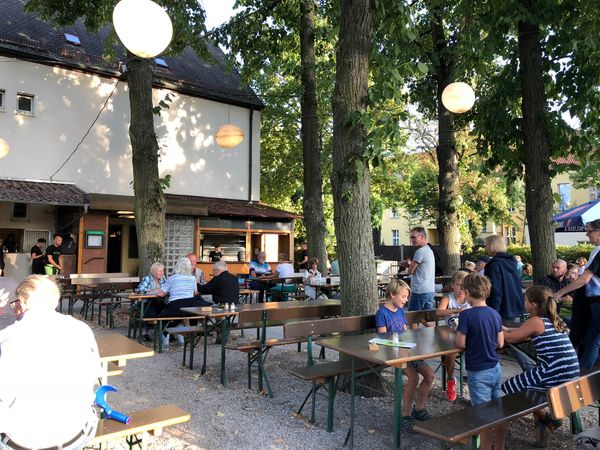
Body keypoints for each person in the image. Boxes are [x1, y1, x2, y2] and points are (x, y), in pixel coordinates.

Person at [0, 275, 100, 449]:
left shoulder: (7, 337)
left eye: (15, 302)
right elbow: (94, 374)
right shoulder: (82, 329)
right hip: (75, 432)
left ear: (23, 302)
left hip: (23, 440)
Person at [502, 286, 579, 447]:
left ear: (534, 304)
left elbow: (511, 339)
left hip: (555, 370)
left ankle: (548, 418)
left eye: (525, 300)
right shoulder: (553, 319)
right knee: (528, 385)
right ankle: (543, 430)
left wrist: (494, 330)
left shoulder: (536, 321)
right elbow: (519, 331)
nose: (524, 302)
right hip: (569, 369)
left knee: (510, 386)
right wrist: (506, 330)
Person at [375, 279, 434, 434]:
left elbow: (406, 331)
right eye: (403, 297)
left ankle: (419, 409)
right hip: (394, 353)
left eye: (407, 297)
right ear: (392, 295)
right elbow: (382, 337)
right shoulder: (382, 313)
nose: (406, 300)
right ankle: (406, 415)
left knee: (429, 375)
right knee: (413, 378)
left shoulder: (401, 311)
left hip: (408, 350)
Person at [455, 272, 505, 450]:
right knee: (498, 411)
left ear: (467, 292)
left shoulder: (466, 316)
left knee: (482, 415)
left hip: (478, 371)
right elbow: (500, 343)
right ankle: (499, 446)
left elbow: (460, 343)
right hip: (495, 367)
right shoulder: (494, 314)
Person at [553, 219, 600, 370]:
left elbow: (584, 279)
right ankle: (581, 377)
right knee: (592, 340)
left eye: (590, 230)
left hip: (597, 302)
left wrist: (559, 293)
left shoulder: (598, 252)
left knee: (593, 340)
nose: (587, 234)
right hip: (594, 304)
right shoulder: (596, 251)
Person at [155, 256, 210, 348]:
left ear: (177, 266)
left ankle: (165, 339)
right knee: (183, 315)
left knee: (164, 316)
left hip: (175, 306)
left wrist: (158, 291)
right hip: (190, 307)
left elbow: (161, 294)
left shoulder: (172, 278)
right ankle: (180, 334)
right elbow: (194, 292)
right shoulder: (192, 278)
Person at [436, 270, 470, 401]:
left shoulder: (470, 298)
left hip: (468, 334)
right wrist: (456, 310)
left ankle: (474, 379)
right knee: (450, 354)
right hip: (450, 334)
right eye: (458, 285)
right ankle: (450, 379)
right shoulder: (448, 298)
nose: (461, 289)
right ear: (452, 285)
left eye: (464, 286)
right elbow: (438, 312)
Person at [483, 234, 524, 321]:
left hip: (502, 308)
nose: (485, 247)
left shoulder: (494, 265)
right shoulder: (511, 262)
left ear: (492, 245)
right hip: (514, 305)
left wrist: (494, 311)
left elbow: (495, 289)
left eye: (486, 245)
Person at [405, 226, 435, 312]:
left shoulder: (420, 251)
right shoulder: (429, 250)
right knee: (427, 318)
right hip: (429, 290)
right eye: (411, 237)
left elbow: (410, 271)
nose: (412, 240)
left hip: (419, 291)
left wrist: (407, 264)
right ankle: (436, 326)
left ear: (422, 237)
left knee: (412, 318)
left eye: (414, 237)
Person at [136, 262, 167, 341]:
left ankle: (164, 332)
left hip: (158, 301)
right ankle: (149, 332)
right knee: (151, 313)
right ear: (153, 272)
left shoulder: (163, 279)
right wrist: (151, 291)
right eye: (160, 271)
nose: (162, 273)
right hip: (145, 302)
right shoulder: (147, 279)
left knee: (166, 310)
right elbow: (140, 289)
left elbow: (166, 290)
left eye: (163, 271)